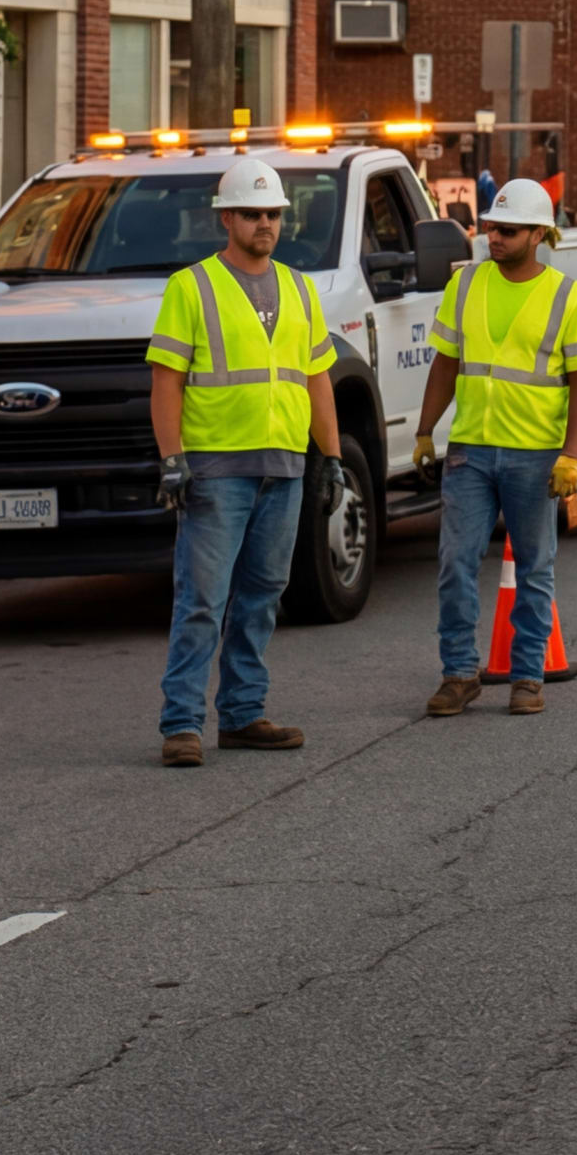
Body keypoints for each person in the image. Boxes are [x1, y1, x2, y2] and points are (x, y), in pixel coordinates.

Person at [143, 160, 347, 768]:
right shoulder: (192, 286)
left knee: (263, 593)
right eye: (253, 214)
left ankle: (242, 713)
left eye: (274, 215)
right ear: (226, 218)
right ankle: (182, 724)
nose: (265, 224)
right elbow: (166, 382)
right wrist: (172, 459)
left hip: (282, 467)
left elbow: (317, 382)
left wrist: (331, 458)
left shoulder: (300, 287)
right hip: (215, 470)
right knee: (203, 598)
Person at [410, 177, 577, 718]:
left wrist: (571, 454)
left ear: (539, 234)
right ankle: (459, 674)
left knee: (535, 567)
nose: (495, 238)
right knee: (455, 563)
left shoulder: (568, 296)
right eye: (492, 228)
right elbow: (446, 362)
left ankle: (527, 677)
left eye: (508, 231)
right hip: (471, 448)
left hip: (535, 454)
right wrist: (426, 430)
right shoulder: (466, 285)